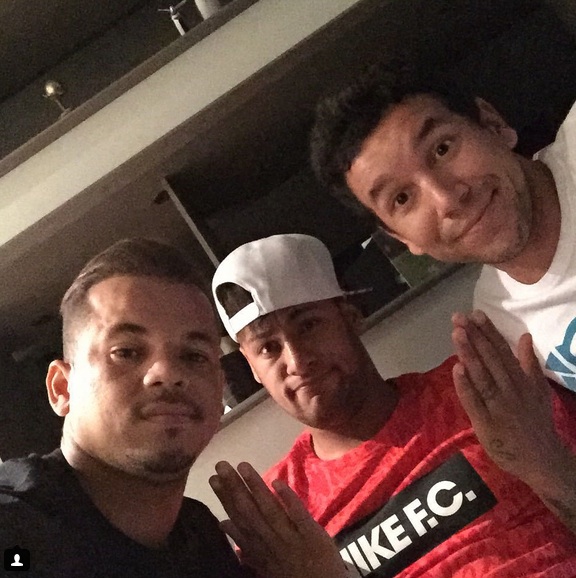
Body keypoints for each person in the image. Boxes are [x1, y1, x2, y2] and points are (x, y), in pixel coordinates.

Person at [211, 233, 576, 577]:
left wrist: (547, 466)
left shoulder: (479, 387)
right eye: (268, 348)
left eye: (308, 326)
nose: (297, 361)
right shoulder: (276, 516)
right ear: (252, 368)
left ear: (350, 317)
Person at [0, 238, 281, 578]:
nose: (168, 373)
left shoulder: (201, 536)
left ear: (220, 386)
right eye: (127, 352)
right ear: (62, 388)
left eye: (194, 356)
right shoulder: (14, 527)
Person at [309, 66, 576, 391]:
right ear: (400, 236)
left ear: (492, 125)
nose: (446, 199)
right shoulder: (500, 322)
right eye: (402, 198)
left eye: (442, 149)